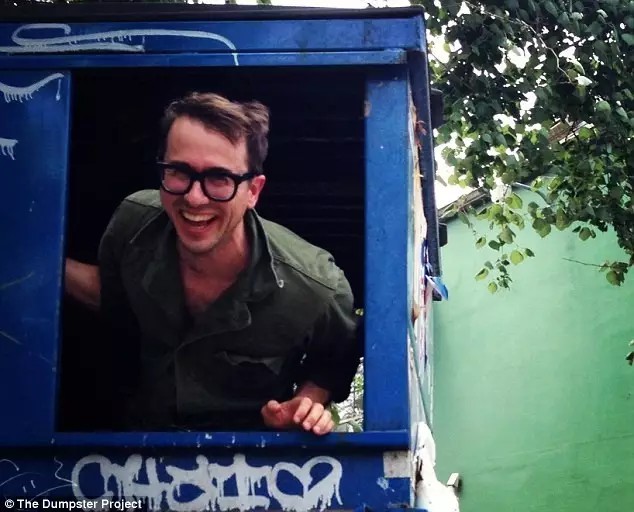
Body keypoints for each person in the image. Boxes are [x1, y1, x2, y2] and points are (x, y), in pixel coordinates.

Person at [64, 92, 361, 435]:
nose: (194, 197)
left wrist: (305, 403)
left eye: (220, 178)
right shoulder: (133, 226)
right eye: (179, 171)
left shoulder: (317, 287)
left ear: (253, 191)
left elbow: (333, 363)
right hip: (131, 446)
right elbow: (112, 298)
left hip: (247, 460)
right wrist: (32, 259)